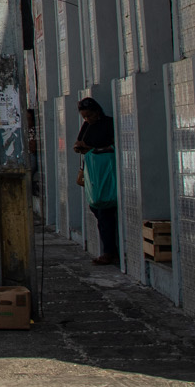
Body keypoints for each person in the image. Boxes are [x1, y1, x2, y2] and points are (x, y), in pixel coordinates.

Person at [73, 96, 119, 264]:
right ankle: (109, 249)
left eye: (89, 116)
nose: (87, 119)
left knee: (104, 210)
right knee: (96, 208)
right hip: (93, 171)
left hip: (106, 171)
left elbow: (112, 145)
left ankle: (109, 251)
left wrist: (93, 147)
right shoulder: (88, 126)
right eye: (84, 117)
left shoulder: (108, 124)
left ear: (97, 112)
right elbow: (80, 142)